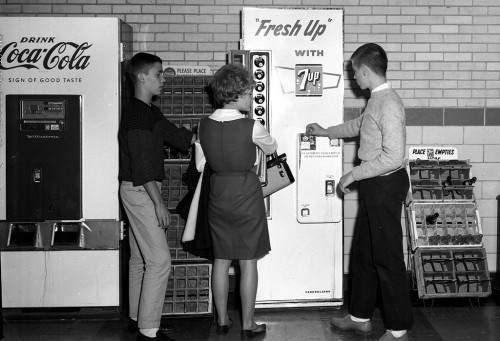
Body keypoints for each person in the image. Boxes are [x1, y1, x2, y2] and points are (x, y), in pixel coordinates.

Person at [305, 43, 413, 341]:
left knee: (387, 256)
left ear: (365, 70)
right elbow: (360, 126)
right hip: (374, 185)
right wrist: (326, 131)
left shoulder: (389, 103)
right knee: (365, 254)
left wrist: (352, 174)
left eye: (355, 73)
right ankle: (360, 317)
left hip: (384, 185)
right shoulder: (376, 101)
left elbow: (393, 156)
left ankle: (398, 328)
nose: (354, 79)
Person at [195, 63, 277, 340]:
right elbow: (272, 147)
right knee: (248, 261)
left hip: (218, 193)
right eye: (249, 92)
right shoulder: (252, 126)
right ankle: (248, 324)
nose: (252, 97)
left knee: (221, 259)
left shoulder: (203, 125)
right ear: (237, 93)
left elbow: (199, 165)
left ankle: (221, 320)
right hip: (246, 192)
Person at [119, 52, 194, 341]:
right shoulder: (138, 115)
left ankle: (138, 318)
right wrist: (158, 203)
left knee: (140, 258)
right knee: (160, 261)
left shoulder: (148, 111)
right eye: (159, 74)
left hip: (140, 189)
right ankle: (148, 331)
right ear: (141, 77)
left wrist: (207, 132)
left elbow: (175, 135)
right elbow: (141, 165)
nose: (163, 79)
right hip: (142, 190)